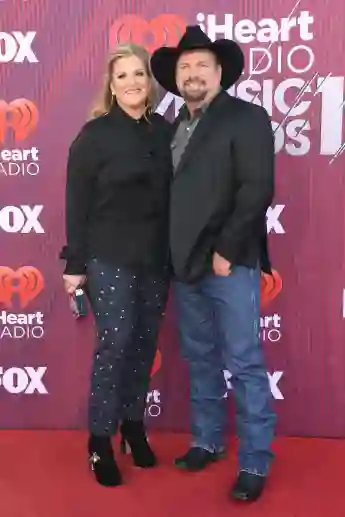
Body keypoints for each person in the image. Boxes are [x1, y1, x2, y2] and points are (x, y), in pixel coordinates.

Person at [151, 26, 276, 502]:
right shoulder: (173, 126)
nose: (193, 73)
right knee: (200, 358)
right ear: (176, 78)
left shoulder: (246, 118)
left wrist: (226, 249)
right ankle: (207, 439)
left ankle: (255, 461)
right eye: (185, 67)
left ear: (220, 72)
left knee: (243, 363)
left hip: (229, 261)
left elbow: (256, 188)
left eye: (202, 64)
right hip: (184, 265)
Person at [60, 43, 172, 487]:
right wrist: (75, 263)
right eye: (122, 75)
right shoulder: (94, 136)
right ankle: (99, 441)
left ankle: (133, 426)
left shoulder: (164, 131)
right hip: (108, 256)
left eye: (139, 75)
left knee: (144, 346)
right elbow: (77, 204)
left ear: (150, 82)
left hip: (155, 257)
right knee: (117, 343)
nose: (132, 83)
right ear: (111, 84)